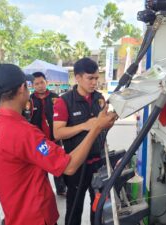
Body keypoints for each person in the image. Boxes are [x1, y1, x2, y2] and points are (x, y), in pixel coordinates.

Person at [0, 63, 117, 225]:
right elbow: (69, 166)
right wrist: (96, 127)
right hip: (35, 216)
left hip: (13, 212)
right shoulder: (25, 132)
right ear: (22, 88)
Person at [53, 57, 106, 225]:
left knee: (98, 207)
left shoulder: (99, 98)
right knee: (74, 208)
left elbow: (101, 128)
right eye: (90, 78)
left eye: (97, 78)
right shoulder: (64, 101)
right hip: (76, 166)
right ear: (77, 78)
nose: (94, 82)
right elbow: (58, 133)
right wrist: (85, 126)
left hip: (98, 163)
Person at [29, 72, 67, 196]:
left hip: (54, 139)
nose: (40, 86)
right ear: (32, 85)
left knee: (57, 164)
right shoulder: (29, 100)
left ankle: (61, 189)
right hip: (39, 141)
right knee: (42, 165)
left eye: (42, 82)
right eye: (37, 83)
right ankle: (44, 191)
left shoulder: (55, 97)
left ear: (47, 82)